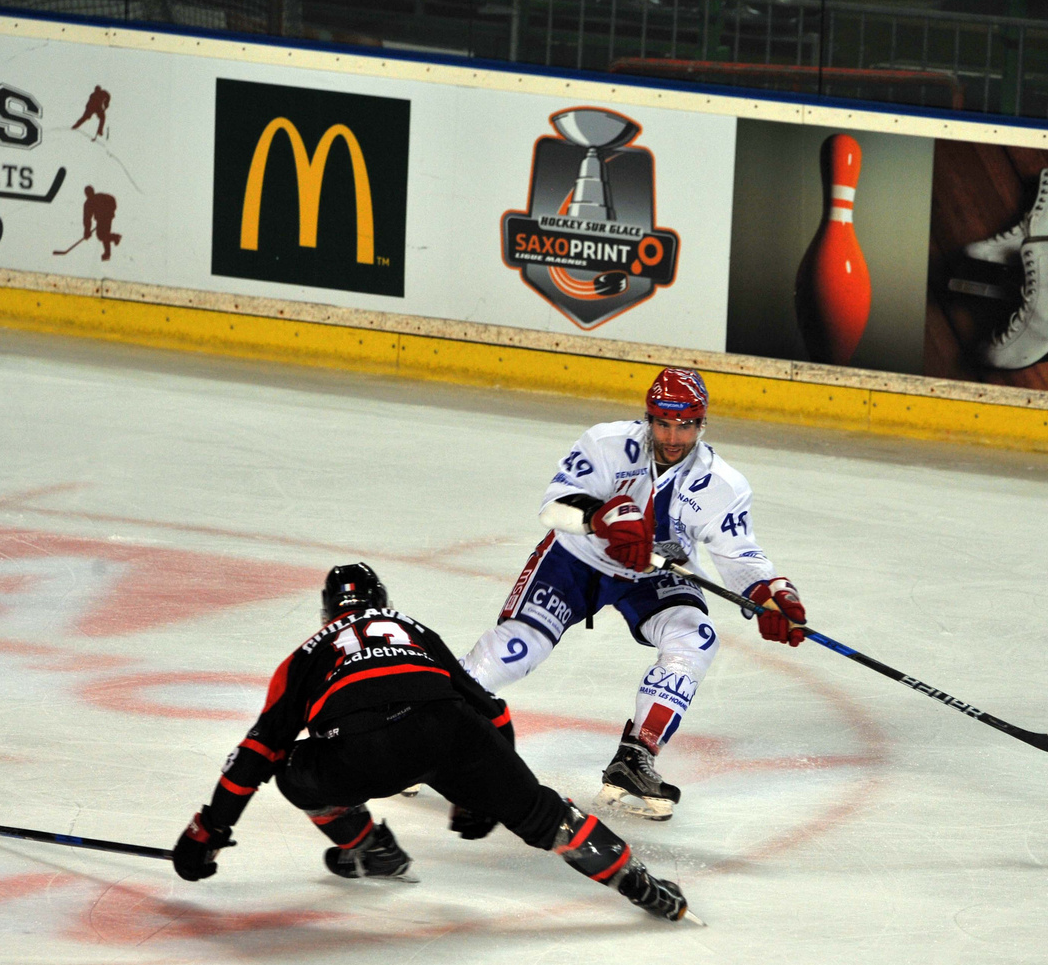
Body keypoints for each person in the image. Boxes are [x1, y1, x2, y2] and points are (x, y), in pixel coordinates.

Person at [172, 563, 693, 923]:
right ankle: (640, 884)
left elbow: (257, 753)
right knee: (543, 814)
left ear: (328, 614)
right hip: (451, 734)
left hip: (363, 752)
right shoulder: (411, 627)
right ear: (382, 604)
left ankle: (369, 850)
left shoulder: (308, 652)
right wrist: (478, 793)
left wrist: (209, 829)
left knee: (289, 765)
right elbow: (494, 709)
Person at [461, 368, 808, 821]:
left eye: (685, 425)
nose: (672, 435)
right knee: (516, 648)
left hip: (656, 572)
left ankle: (635, 755)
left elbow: (739, 554)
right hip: (577, 559)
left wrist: (771, 593)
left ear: (702, 424)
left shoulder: (722, 484)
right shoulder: (607, 443)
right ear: (648, 418)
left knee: (695, 637)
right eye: (663, 422)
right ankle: (424, 723)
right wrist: (601, 516)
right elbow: (555, 505)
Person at [81, 186, 121, 262]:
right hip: (102, 219)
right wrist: (87, 231)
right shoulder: (88, 204)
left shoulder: (100, 197)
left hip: (107, 217)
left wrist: (110, 211)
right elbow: (87, 219)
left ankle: (115, 238)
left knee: (101, 235)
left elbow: (112, 200)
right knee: (104, 235)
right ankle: (107, 253)